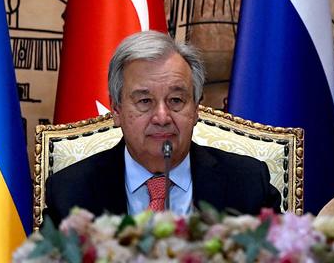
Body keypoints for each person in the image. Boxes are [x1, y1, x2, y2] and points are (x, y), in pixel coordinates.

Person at [43, 32, 281, 224]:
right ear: (116, 110)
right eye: (145, 101)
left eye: (176, 100)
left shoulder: (247, 183)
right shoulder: (70, 192)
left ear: (197, 108)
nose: (162, 117)